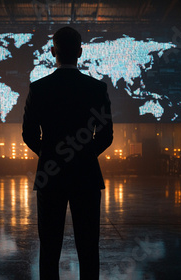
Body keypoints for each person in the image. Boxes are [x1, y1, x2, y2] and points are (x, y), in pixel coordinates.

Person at [22, 26, 113, 280]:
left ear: (53, 52)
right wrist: (82, 155)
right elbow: (106, 136)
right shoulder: (97, 89)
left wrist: (52, 155)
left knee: (49, 249)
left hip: (50, 177)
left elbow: (29, 135)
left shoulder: (39, 89)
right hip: (86, 177)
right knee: (88, 248)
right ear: (80, 52)